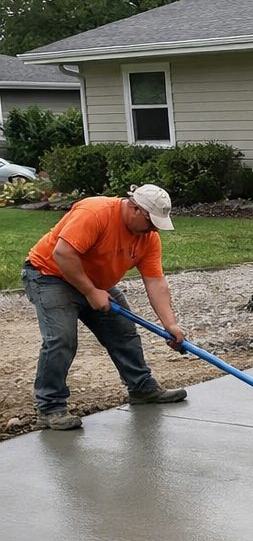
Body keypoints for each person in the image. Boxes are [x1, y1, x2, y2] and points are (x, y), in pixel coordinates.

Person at [20, 184, 188, 430]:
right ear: (134, 208)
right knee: (61, 338)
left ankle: (142, 389)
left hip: (95, 283)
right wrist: (89, 292)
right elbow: (63, 253)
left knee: (124, 333)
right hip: (49, 275)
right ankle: (50, 408)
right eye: (151, 221)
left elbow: (155, 281)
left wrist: (170, 324)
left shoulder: (148, 238)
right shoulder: (96, 212)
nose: (154, 228)